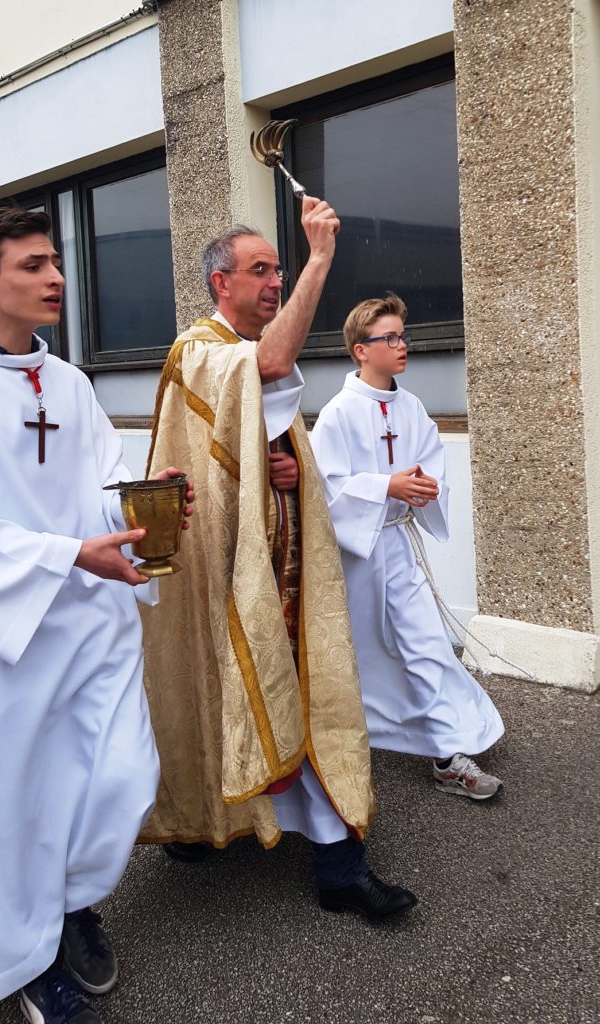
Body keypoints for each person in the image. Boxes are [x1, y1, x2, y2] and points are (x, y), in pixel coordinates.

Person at [0, 206, 192, 1024]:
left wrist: (139, 506)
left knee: (119, 779)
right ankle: (29, 962)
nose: (56, 278)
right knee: (11, 805)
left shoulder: (69, 382)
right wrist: (69, 554)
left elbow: (96, 485)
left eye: (55, 262)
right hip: (1, 638)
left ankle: (66, 907)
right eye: (33, 265)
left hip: (92, 625)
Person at [139, 201, 417, 923]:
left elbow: (272, 441)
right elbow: (267, 367)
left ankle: (339, 867)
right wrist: (321, 258)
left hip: (283, 570)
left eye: (281, 271)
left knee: (311, 698)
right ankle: (202, 822)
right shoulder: (198, 352)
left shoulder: (247, 351)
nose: (274, 282)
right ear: (220, 282)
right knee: (220, 692)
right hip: (224, 572)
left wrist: (291, 471)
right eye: (260, 270)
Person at [310, 294, 505, 800]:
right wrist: (385, 486)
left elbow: (430, 461)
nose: (402, 346)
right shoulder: (337, 414)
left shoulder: (412, 406)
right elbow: (326, 489)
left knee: (425, 642)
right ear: (361, 350)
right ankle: (343, 744)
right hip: (356, 555)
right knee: (361, 652)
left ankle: (447, 753)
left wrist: (423, 487)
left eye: (403, 336)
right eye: (390, 338)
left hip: (398, 542)